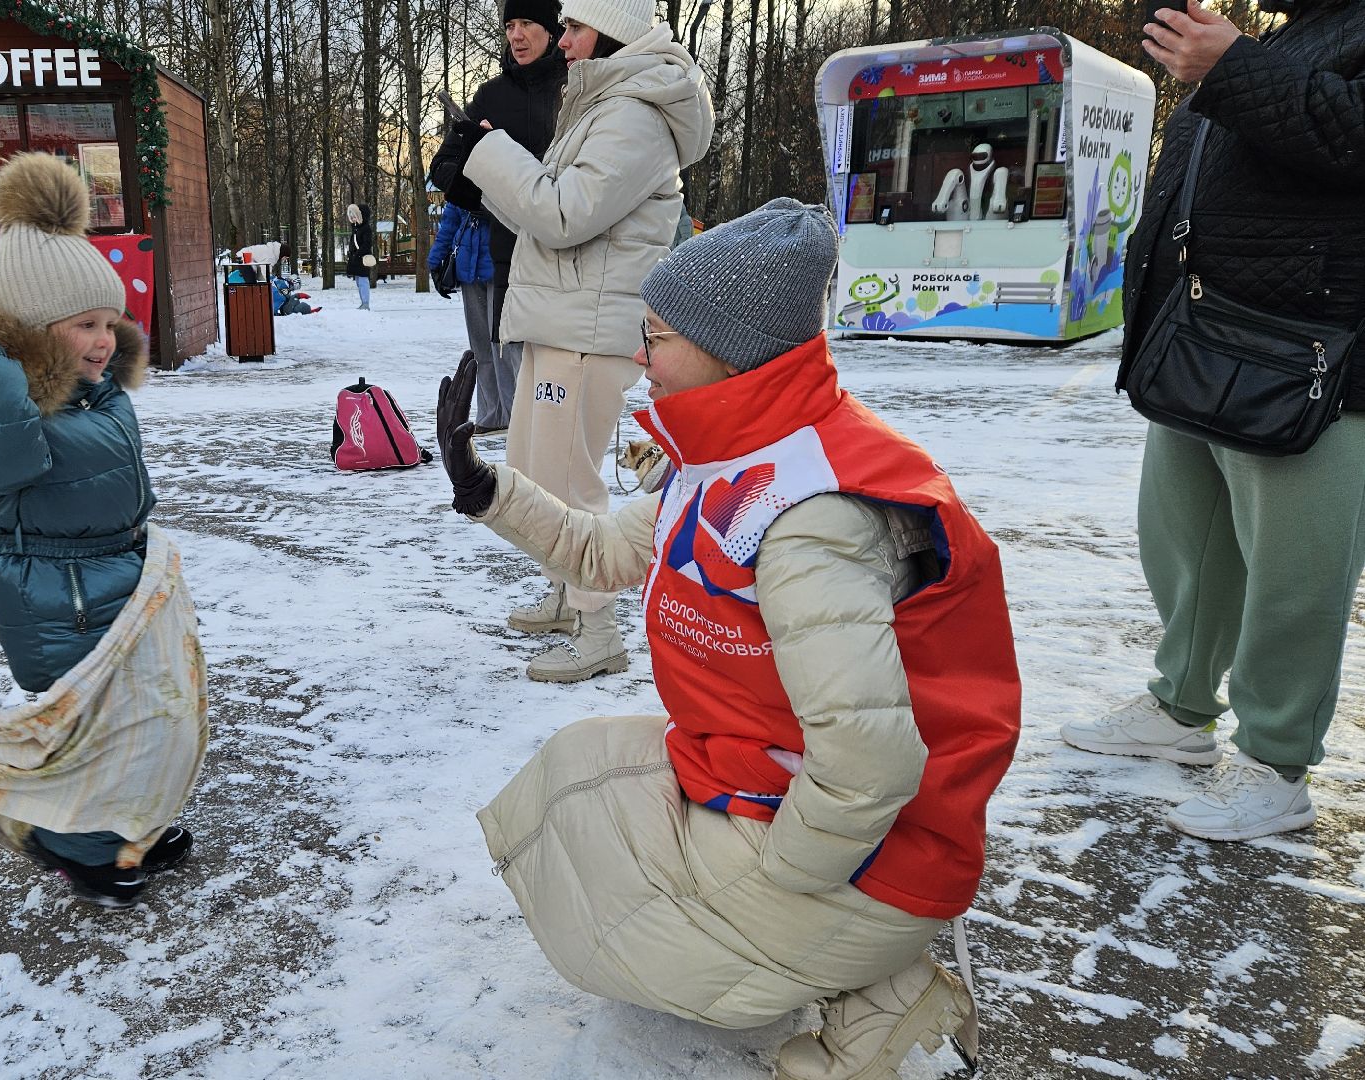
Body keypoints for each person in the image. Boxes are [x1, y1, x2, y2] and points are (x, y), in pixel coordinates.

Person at [440, 201, 1020, 1080]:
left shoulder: (812, 515)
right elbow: (606, 549)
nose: (640, 357)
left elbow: (869, 762)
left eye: (658, 336)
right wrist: (488, 489)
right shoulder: (740, 454)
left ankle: (872, 980)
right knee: (583, 774)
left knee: (616, 919)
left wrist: (789, 879)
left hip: (879, 848)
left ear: (730, 347)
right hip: (799, 789)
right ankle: (845, 951)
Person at [1062, 0, 1365, 841]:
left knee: (1293, 576)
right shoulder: (1285, 36)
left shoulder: (1265, 50)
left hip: (1315, 353)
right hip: (1207, 337)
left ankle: (1276, 764)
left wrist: (1234, 69)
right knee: (1184, 539)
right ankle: (1180, 707)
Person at [0, 153, 200, 909]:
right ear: (33, 332)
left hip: (115, 575)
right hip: (55, 589)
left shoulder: (95, 391)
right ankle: (83, 848)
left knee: (141, 716)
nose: (104, 341)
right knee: (83, 729)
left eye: (109, 324)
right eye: (84, 327)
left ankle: (128, 822)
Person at [457, 0, 712, 683]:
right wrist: (483, 170)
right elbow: (544, 211)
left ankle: (599, 629)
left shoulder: (634, 113)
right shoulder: (604, 102)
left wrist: (488, 152)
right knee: (539, 468)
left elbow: (565, 214)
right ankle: (569, 593)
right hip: (564, 316)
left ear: (610, 30)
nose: (560, 40)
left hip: (590, 326)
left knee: (570, 479)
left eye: (572, 27)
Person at [430, 0, 568, 439]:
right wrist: (488, 176)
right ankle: (502, 423)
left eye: (527, 23)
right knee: (507, 358)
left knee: (560, 378)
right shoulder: (490, 96)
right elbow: (445, 169)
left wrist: (514, 170)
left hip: (568, 258)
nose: (516, 35)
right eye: (510, 25)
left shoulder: (577, 90)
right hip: (506, 257)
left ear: (551, 29)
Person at [425, 200, 501, 428]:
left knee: (503, 347)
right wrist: (435, 261)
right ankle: (489, 415)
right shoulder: (464, 169)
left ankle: (509, 414)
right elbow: (450, 221)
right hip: (470, 267)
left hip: (502, 266)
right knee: (481, 348)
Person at [344, 203, 375, 309]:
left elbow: (367, 244)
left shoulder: (365, 228)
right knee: (359, 281)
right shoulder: (356, 228)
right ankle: (363, 302)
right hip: (357, 259)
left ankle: (365, 303)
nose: (352, 218)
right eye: (351, 215)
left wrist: (357, 254)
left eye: (354, 215)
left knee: (363, 281)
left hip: (362, 259)